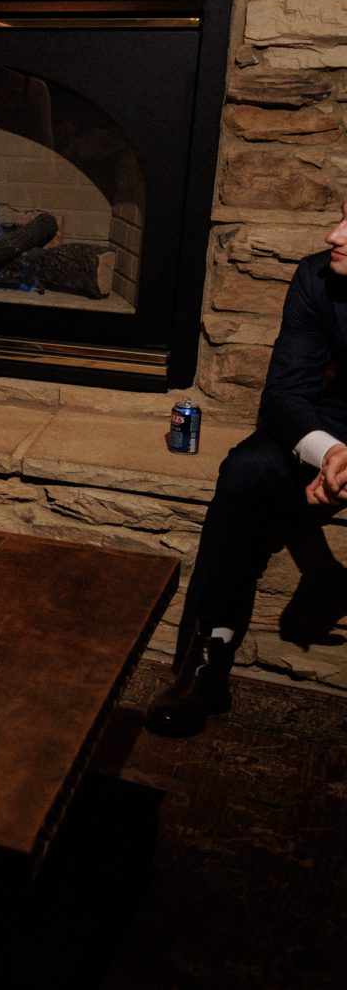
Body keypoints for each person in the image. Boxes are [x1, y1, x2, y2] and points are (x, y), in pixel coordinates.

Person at [149, 199, 347, 736]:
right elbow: (283, 395)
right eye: (342, 216)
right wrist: (329, 454)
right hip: (333, 419)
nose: (334, 234)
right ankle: (206, 664)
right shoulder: (316, 277)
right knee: (246, 469)